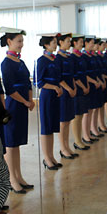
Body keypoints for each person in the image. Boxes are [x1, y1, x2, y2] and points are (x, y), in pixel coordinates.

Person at [0, 27, 34, 193]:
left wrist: (30, 99)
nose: (21, 44)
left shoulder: (21, 62)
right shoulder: (6, 63)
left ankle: (19, 176)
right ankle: (11, 179)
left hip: (23, 105)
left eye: (22, 41)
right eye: (19, 41)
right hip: (13, 105)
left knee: (17, 144)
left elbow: (28, 82)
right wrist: (25, 102)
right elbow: (10, 89)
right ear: (9, 42)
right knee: (10, 144)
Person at [36, 33, 63, 170]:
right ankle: (46, 158)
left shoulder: (55, 60)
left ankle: (51, 156)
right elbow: (39, 82)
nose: (55, 44)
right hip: (47, 95)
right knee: (46, 127)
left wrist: (59, 87)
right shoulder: (41, 60)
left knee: (52, 127)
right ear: (46, 44)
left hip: (55, 95)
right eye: (53, 42)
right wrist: (54, 87)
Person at [55, 33, 79, 159]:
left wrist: (74, 87)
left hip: (71, 91)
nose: (70, 43)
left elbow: (72, 75)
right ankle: (62, 148)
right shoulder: (57, 58)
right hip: (64, 93)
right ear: (61, 42)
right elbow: (59, 78)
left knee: (68, 120)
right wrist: (69, 89)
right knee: (63, 122)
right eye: (68, 41)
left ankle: (67, 146)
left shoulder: (69, 58)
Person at [69, 34, 91, 151]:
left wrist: (86, 85)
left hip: (83, 89)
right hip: (78, 89)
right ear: (74, 43)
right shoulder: (72, 57)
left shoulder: (81, 57)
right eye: (80, 42)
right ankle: (77, 140)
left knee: (81, 114)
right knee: (77, 116)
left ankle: (80, 138)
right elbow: (75, 76)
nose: (82, 44)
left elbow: (84, 74)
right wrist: (83, 87)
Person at [81, 36, 101, 144]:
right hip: (87, 86)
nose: (93, 45)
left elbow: (95, 72)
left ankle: (90, 132)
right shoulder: (83, 57)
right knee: (87, 112)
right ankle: (85, 134)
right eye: (92, 43)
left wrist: (97, 81)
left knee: (92, 110)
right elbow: (85, 74)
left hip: (94, 85)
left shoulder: (91, 56)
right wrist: (93, 82)